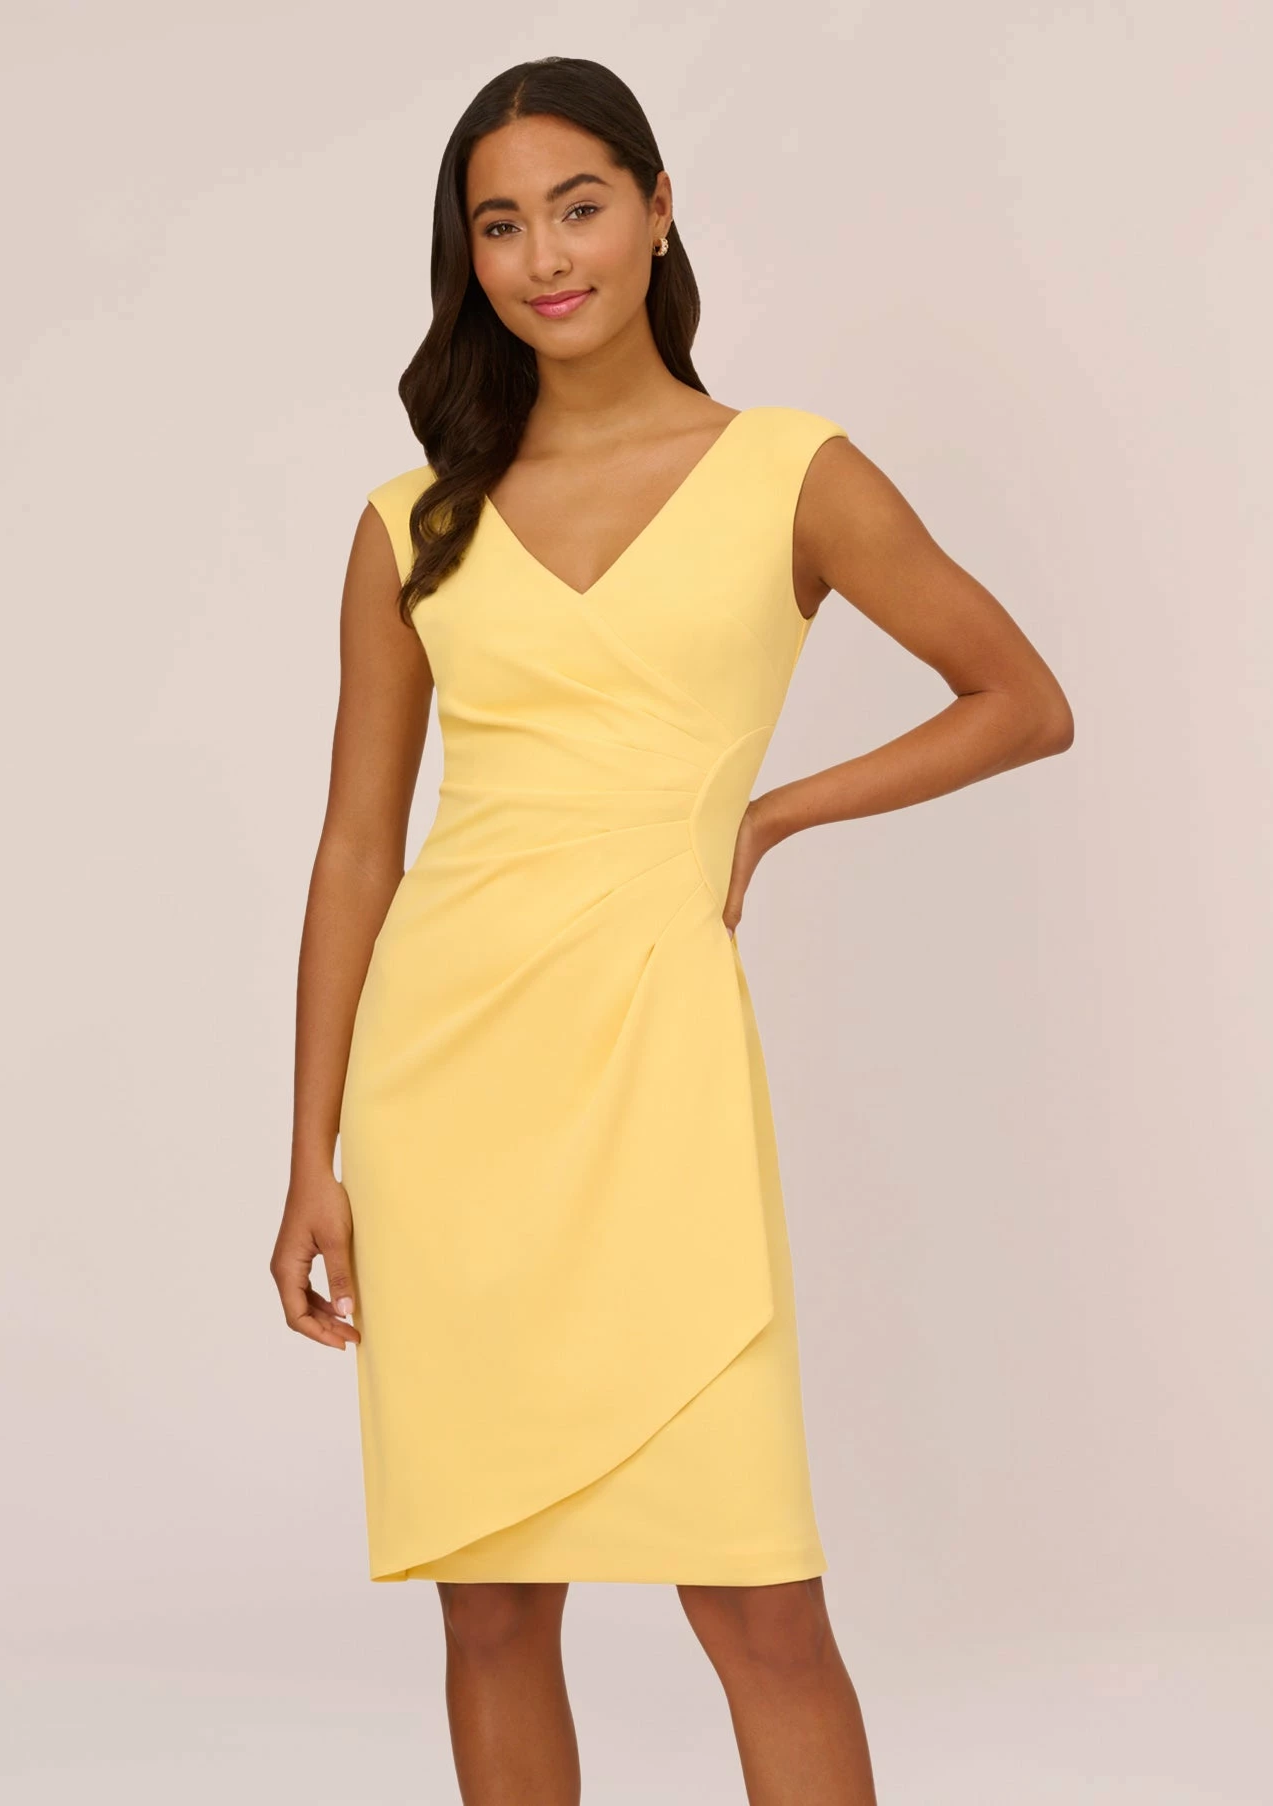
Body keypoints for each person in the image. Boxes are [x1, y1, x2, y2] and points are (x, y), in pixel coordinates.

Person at [273, 55, 1073, 1806]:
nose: (544, 256)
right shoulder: (413, 522)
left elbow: (1019, 699)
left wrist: (770, 811)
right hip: (444, 1083)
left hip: (660, 1063)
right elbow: (353, 849)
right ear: (467, 257)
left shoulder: (788, 471)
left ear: (654, 210)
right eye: (500, 225)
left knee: (759, 1604)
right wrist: (310, 1154)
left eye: (577, 207)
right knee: (491, 1604)